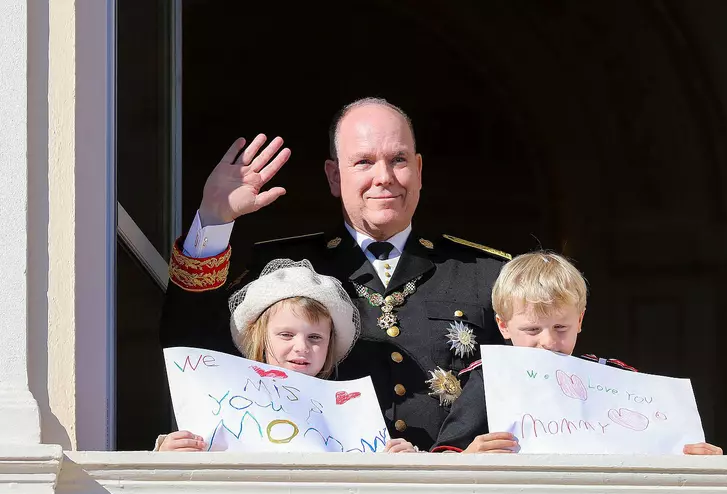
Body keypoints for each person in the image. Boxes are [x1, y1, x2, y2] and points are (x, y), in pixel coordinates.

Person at [160, 97, 509, 452]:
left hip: (452, 483)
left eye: (399, 160)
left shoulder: (486, 275)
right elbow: (195, 351)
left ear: (418, 170)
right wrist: (214, 220)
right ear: (334, 176)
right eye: (364, 162)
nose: (384, 177)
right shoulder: (281, 268)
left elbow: (525, 380)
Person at [433, 251, 724, 455]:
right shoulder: (488, 379)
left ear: (580, 321)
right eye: (532, 329)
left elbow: (664, 448)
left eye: (561, 327)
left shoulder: (614, 377)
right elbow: (445, 457)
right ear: (503, 326)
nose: (548, 341)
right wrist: (468, 458)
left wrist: (696, 457)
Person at [157, 259, 414, 453]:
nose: (301, 347)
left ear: (330, 345)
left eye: (315, 337)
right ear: (260, 338)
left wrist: (401, 461)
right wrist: (169, 453)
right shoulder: (220, 398)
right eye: (286, 335)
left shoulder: (355, 413)